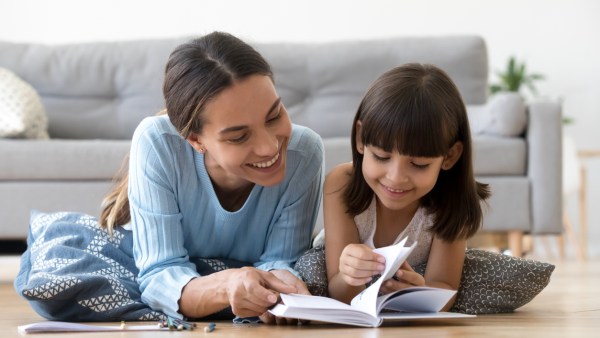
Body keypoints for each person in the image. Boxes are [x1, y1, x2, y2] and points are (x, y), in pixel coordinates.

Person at [99, 31, 324, 323]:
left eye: (274, 116)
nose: (270, 146)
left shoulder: (304, 153)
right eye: (240, 136)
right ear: (196, 140)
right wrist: (228, 285)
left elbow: (281, 259)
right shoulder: (157, 143)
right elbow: (160, 274)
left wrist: (279, 285)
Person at [323, 63, 490, 308]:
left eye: (419, 164)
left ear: (450, 156)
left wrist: (420, 294)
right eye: (381, 157)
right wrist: (349, 275)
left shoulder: (452, 201)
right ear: (361, 139)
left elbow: (445, 289)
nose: (395, 177)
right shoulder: (342, 184)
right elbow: (339, 292)